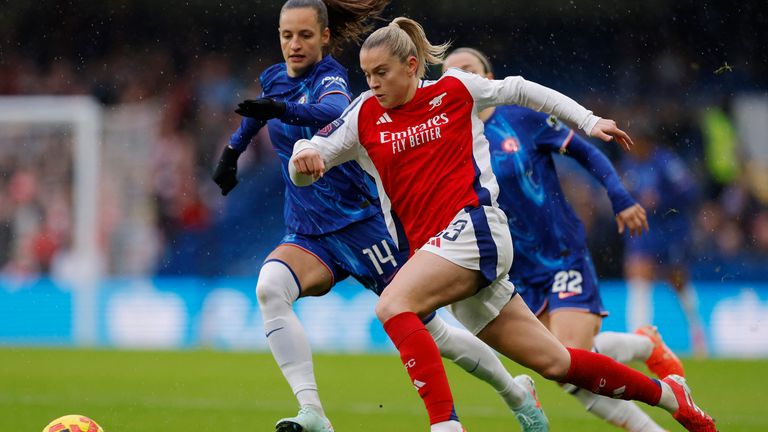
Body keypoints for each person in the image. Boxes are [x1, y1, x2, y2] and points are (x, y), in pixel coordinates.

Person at [289, 17, 717, 432]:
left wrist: (589, 121)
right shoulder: (364, 114)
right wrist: (301, 160)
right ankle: (670, 396)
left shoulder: (455, 88)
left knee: (392, 305)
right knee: (559, 363)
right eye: (367, 75)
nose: (373, 83)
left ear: (412, 66)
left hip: (476, 230)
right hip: (436, 252)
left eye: (382, 72)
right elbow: (312, 155)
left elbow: (520, 89)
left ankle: (446, 424)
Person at [213, 2, 547, 431]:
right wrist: (231, 153)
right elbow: (256, 111)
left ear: (326, 37)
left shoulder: (331, 79)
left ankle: (515, 393)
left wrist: (281, 112)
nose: (294, 45)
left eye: (305, 36)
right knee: (270, 288)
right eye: (286, 35)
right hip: (311, 231)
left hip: (364, 225)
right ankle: (313, 413)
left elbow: (330, 113)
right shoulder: (275, 78)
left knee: (433, 332)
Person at [443, 47, 689, 432]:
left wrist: (619, 195)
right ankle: (645, 345)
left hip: (560, 254)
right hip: (514, 270)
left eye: (467, 70)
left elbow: (584, 152)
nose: (458, 78)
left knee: (571, 358)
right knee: (562, 365)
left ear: (487, 79)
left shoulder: (521, 117)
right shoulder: (448, 142)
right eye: (449, 74)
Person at [619, 117, 708, 356]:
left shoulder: (666, 162)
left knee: (678, 280)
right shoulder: (629, 164)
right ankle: (636, 340)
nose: (633, 147)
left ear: (648, 142)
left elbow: (690, 192)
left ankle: (697, 330)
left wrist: (662, 200)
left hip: (670, 231)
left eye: (637, 142)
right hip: (642, 230)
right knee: (638, 274)